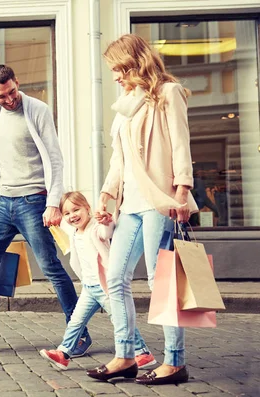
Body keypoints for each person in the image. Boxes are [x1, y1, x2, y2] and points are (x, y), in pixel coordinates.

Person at [0, 65, 90, 355]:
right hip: (3, 203)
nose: (9, 99)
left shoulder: (38, 109)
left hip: (33, 202)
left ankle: (79, 336)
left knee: (50, 268)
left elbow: (55, 159)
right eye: (1, 96)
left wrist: (53, 204)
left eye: (11, 92)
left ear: (17, 83)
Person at [85, 34, 198, 384]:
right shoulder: (126, 103)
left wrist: (182, 192)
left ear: (135, 62)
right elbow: (119, 157)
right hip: (129, 205)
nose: (115, 76)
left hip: (158, 202)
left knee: (159, 280)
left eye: (117, 68)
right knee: (114, 279)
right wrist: (106, 193)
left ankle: (175, 362)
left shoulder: (168, 92)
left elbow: (181, 145)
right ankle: (125, 356)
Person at [39, 192, 156, 371]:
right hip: (88, 288)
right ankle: (63, 354)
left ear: (87, 208)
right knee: (76, 321)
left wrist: (106, 220)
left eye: (76, 210)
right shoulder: (75, 232)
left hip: (105, 286)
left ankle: (142, 353)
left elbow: (106, 232)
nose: (73, 216)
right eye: (67, 213)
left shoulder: (95, 227)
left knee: (119, 319)